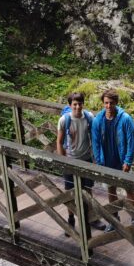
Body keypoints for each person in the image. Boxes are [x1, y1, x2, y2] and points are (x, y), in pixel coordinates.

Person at [91, 88, 134, 217]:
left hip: (122, 161)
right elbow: (96, 143)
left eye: (111, 103)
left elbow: (131, 142)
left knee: (129, 189)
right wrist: (99, 162)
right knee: (111, 190)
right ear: (103, 103)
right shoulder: (97, 120)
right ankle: (115, 218)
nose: (108, 106)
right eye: (106, 103)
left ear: (116, 102)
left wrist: (128, 161)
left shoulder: (125, 119)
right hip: (107, 161)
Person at [56, 91, 95, 229]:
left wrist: (95, 158)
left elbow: (94, 138)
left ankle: (91, 218)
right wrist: (63, 161)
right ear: (70, 105)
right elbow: (59, 142)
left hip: (86, 158)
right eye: (74, 104)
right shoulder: (64, 120)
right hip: (70, 159)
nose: (77, 107)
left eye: (80, 104)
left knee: (88, 189)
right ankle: (71, 219)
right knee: (70, 192)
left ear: (83, 104)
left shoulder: (89, 117)